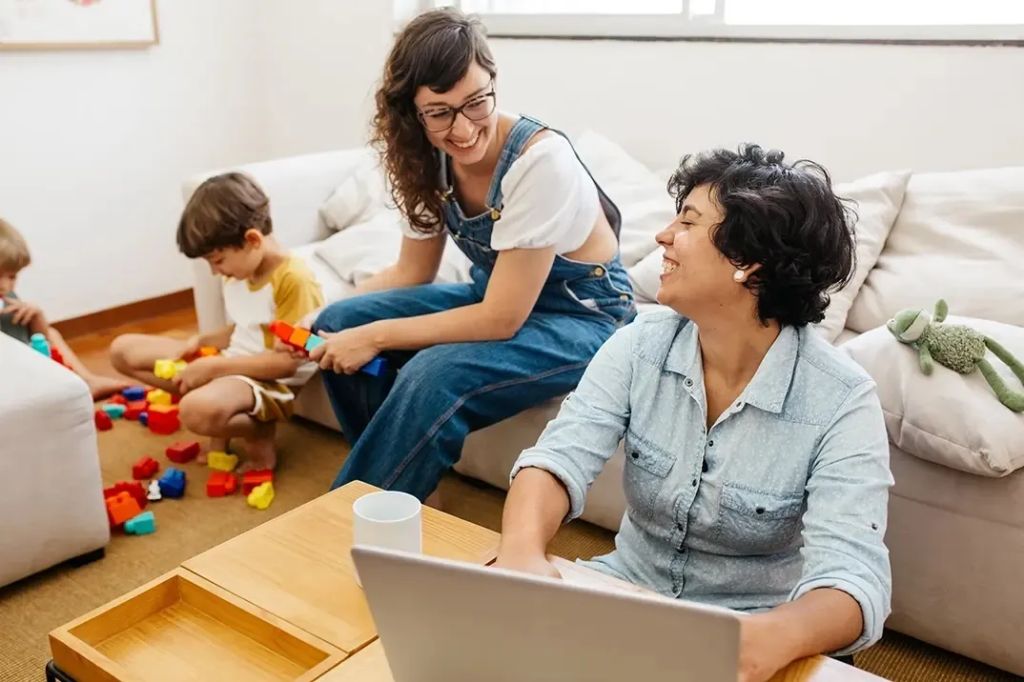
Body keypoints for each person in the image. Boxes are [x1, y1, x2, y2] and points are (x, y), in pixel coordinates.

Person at [495, 145, 894, 682]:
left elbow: (853, 577)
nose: (663, 236)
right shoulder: (640, 343)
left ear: (746, 261)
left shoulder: (841, 400)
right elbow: (558, 458)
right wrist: (521, 554)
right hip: (625, 595)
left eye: (688, 222)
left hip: (753, 632)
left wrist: (769, 638)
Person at [309, 8, 635, 500]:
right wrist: (324, 315)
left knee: (433, 375)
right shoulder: (424, 158)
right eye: (440, 112)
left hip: (584, 320)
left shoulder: (540, 162)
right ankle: (400, 490)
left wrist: (375, 335)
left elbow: (501, 320)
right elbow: (412, 269)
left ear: (493, 82)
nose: (463, 130)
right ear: (412, 113)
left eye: (477, 103)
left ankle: (354, 523)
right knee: (336, 322)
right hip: (497, 297)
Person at [110, 172, 323, 470]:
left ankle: (259, 429)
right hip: (232, 362)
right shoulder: (240, 269)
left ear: (251, 240)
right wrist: (200, 343)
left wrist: (213, 367)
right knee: (123, 350)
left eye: (217, 260)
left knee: (194, 411)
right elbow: (245, 328)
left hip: (270, 381)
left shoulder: (293, 279)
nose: (214, 272)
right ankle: (220, 422)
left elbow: (287, 364)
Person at [0, 217, 129, 399]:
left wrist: (37, 321)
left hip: (28, 367)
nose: (5, 286)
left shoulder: (8, 299)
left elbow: (40, 345)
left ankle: (88, 381)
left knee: (51, 334)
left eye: (12, 277)